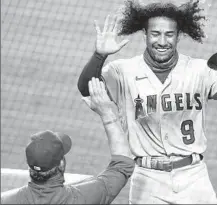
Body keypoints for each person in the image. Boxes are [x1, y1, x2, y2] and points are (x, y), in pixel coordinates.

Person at [77, 0, 217, 204]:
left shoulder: (198, 70)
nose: (162, 41)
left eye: (169, 34)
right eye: (155, 34)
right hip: (147, 180)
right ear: (145, 34)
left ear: (178, 36)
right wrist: (99, 55)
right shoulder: (123, 71)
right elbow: (86, 88)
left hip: (194, 177)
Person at [1, 78, 135, 204]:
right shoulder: (84, 197)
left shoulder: (6, 200)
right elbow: (123, 165)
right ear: (61, 164)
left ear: (30, 166)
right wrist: (106, 113)